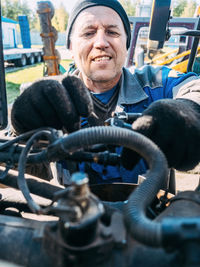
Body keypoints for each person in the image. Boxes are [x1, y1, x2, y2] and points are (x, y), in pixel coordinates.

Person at [11, 0, 200, 185]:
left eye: (112, 32)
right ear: (70, 46)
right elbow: (12, 177)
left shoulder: (157, 82)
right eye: (88, 33)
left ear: (126, 43)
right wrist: (21, 130)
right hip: (74, 212)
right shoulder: (52, 98)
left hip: (151, 212)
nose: (101, 42)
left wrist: (188, 111)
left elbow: (195, 89)